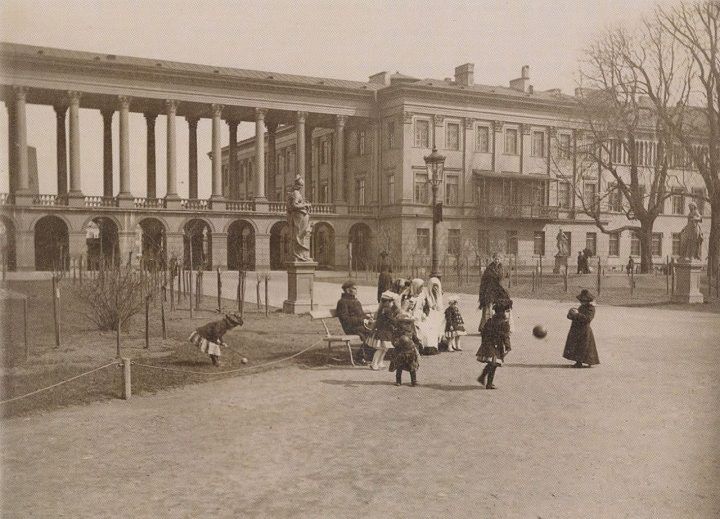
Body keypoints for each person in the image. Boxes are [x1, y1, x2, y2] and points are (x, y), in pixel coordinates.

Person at [476, 300, 512, 389]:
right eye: (506, 311)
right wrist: (508, 346)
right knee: (494, 364)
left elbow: (483, 333)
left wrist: (483, 343)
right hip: (496, 346)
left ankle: (484, 378)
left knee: (492, 363)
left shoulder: (490, 320)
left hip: (488, 344)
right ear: (503, 312)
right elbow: (505, 336)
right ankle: (487, 381)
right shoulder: (504, 323)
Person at [336, 280, 373, 363]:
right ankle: (360, 357)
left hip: (359, 326)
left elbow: (361, 314)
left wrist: (368, 318)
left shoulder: (355, 301)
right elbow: (345, 319)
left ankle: (365, 355)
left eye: (356, 289)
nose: (356, 291)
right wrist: (362, 320)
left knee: (375, 331)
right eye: (354, 289)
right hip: (350, 327)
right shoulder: (342, 302)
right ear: (347, 290)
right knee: (371, 332)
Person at [562, 289, 600, 368]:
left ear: (588, 300)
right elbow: (572, 317)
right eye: (581, 300)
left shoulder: (591, 308)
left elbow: (588, 319)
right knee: (577, 347)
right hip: (576, 330)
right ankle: (578, 363)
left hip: (584, 330)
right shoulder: (581, 307)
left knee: (585, 347)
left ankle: (589, 362)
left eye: (584, 300)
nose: (581, 302)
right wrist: (571, 313)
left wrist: (577, 314)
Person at [478, 253, 510, 331]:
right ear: (493, 259)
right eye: (495, 258)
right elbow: (484, 280)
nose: (497, 260)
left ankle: (503, 327)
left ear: (501, 259)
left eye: (498, 259)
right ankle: (485, 328)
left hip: (500, 290)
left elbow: (506, 280)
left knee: (502, 308)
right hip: (490, 290)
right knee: (488, 308)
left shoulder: (503, 269)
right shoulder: (489, 269)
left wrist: (504, 288)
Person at [369, 291, 399, 370]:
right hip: (383, 332)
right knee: (381, 348)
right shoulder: (386, 310)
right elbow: (392, 320)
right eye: (391, 302)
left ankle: (380, 362)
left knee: (385, 348)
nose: (392, 303)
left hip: (386, 332)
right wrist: (398, 323)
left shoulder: (383, 309)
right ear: (386, 302)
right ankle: (374, 363)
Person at [286, 175, 312, 261]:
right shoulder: (296, 193)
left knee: (301, 235)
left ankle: (300, 254)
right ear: (298, 185)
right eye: (301, 186)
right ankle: (300, 255)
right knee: (299, 235)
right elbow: (294, 205)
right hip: (298, 216)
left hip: (299, 216)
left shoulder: (294, 193)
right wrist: (305, 205)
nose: (301, 187)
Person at [389, 317, 420, 387]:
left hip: (410, 351)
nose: (406, 325)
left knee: (412, 367)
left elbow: (416, 340)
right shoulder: (397, 332)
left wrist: (415, 345)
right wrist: (396, 343)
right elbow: (393, 340)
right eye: (404, 323)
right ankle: (398, 381)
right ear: (400, 324)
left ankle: (413, 381)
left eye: (408, 323)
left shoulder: (411, 331)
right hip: (400, 351)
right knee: (399, 366)